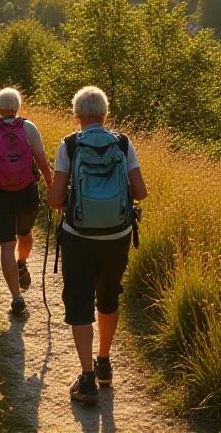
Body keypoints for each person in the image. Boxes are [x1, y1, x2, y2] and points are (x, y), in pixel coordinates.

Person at [46, 86, 148, 406]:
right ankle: (104, 362)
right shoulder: (123, 143)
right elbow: (141, 192)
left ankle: (87, 378)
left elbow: (55, 199)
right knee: (108, 296)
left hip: (78, 237)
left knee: (79, 302)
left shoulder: (70, 145)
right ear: (105, 114)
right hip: (117, 236)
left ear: (77, 115)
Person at [0, 88, 53, 316]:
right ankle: (22, 263)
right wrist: (51, 188)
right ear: (17, 106)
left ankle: (16, 298)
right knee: (25, 234)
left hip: (1, 196)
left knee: (6, 245)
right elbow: (42, 162)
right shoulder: (28, 128)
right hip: (27, 193)